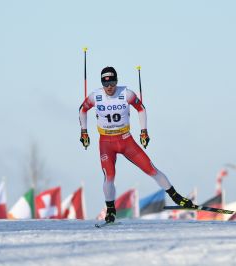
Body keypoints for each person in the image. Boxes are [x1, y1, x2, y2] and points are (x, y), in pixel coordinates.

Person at [79, 66, 195, 223]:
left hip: (126, 140)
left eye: (112, 83)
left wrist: (144, 132)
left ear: (116, 81)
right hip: (106, 142)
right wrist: (84, 132)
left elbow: (141, 109)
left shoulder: (126, 94)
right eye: (105, 84)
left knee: (151, 169)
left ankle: (176, 197)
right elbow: (82, 110)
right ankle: (111, 210)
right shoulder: (95, 96)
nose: (109, 88)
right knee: (109, 177)